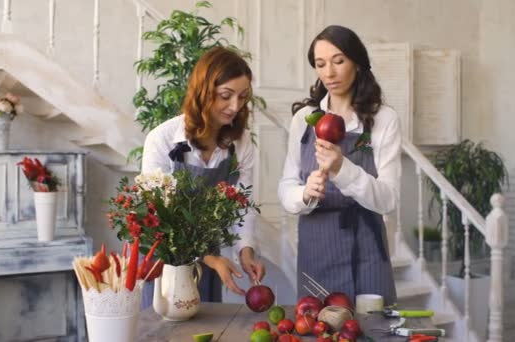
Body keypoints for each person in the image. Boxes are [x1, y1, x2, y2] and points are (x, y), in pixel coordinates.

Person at [278, 25, 401, 305]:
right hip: (317, 249)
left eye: (339, 61)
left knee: (372, 331)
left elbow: (388, 199)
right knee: (319, 330)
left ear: (356, 62)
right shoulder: (306, 119)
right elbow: (286, 187)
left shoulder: (383, 119)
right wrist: (305, 193)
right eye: (320, 64)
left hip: (367, 251)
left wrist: (342, 169)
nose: (329, 73)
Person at [141, 46, 265, 302]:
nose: (234, 107)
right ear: (203, 92)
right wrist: (209, 258)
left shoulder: (240, 144)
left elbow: (244, 205)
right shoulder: (161, 140)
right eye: (225, 96)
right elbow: (160, 218)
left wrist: (246, 252)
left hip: (212, 260)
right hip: (167, 260)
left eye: (242, 97)